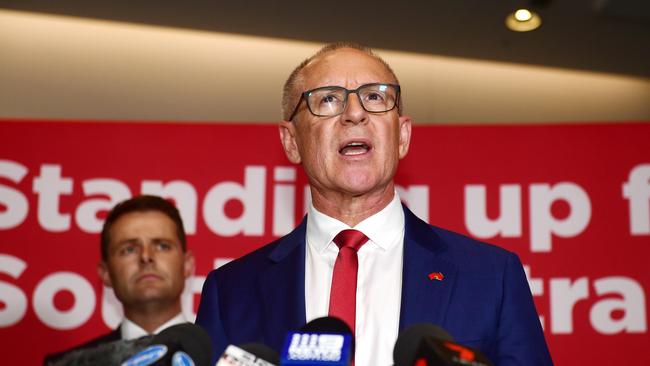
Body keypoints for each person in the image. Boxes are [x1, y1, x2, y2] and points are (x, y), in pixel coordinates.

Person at [196, 43, 553, 366]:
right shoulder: (231, 291)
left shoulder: (491, 277)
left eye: (375, 97)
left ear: (402, 136)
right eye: (328, 99)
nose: (354, 113)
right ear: (291, 142)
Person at [44, 195, 195, 365]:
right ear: (106, 272)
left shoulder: (225, 356)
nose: (146, 256)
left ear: (187, 265)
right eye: (129, 249)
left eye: (162, 246)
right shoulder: (69, 364)